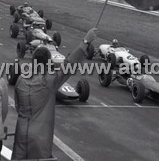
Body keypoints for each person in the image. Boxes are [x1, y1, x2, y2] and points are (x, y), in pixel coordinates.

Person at [12, 28, 97, 160]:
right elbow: (69, 64)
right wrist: (85, 42)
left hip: (21, 133)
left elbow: (18, 106)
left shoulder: (21, 79)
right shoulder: (49, 80)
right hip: (40, 137)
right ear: (48, 63)